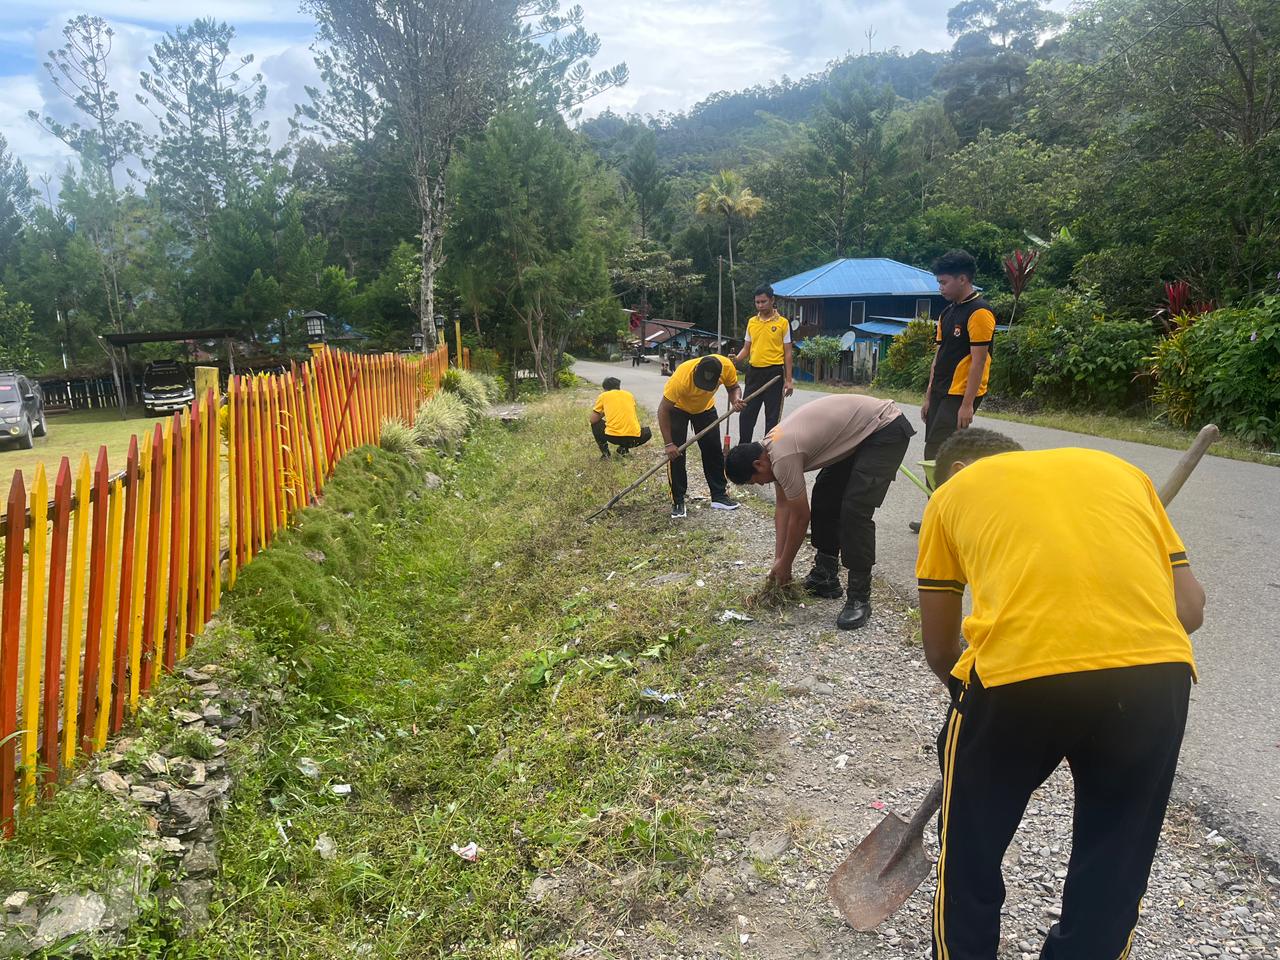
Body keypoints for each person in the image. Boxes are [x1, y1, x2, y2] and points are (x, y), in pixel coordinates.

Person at [916, 428, 1206, 960]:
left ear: (954, 471)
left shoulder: (952, 494)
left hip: (1017, 677)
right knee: (1116, 855)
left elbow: (938, 646)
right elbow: (1189, 611)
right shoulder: (1124, 473)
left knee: (970, 852)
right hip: (1155, 679)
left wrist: (967, 705)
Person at [724, 393, 913, 630]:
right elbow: (783, 508)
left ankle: (859, 596)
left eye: (756, 481)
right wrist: (779, 560)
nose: (762, 484)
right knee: (824, 495)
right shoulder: (769, 450)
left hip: (885, 428)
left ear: (758, 465)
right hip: (860, 433)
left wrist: (787, 563)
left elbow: (801, 517)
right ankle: (825, 576)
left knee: (854, 510)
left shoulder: (782, 456)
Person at [911, 249, 996, 533]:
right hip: (940, 392)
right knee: (933, 453)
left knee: (941, 454)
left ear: (963, 279)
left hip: (960, 394)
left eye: (944, 282)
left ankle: (947, 519)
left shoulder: (979, 312)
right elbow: (939, 357)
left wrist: (967, 404)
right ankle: (938, 513)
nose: (940, 287)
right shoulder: (947, 312)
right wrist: (927, 396)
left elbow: (979, 360)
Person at [658, 355, 743, 519]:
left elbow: (733, 388)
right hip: (678, 409)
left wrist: (736, 399)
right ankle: (678, 500)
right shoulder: (681, 378)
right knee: (676, 455)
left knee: (713, 451)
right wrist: (669, 444)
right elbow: (663, 410)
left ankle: (719, 496)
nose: (703, 389)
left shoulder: (727, 367)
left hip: (705, 409)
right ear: (696, 371)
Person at [733, 284, 794, 443]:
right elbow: (747, 348)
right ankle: (743, 448)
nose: (760, 306)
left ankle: (768, 451)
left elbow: (788, 353)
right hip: (754, 373)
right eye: (757, 302)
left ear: (772, 300)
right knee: (746, 414)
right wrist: (735, 360)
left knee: (772, 417)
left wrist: (788, 380)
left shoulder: (783, 323)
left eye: (763, 302)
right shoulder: (752, 322)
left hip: (774, 374)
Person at [590, 377, 651, 460]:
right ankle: (623, 448)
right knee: (647, 432)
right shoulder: (629, 395)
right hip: (633, 438)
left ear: (605, 389)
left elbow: (593, 420)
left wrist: (604, 412)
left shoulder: (604, 396)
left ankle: (606, 454)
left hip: (613, 437)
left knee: (595, 425)